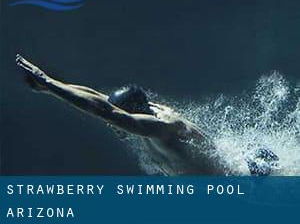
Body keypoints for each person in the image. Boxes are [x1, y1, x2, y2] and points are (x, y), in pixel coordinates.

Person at [15, 54, 277, 175]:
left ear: (132, 114)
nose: (111, 125)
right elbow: (99, 100)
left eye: (115, 120)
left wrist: (48, 83)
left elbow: (105, 111)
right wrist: (51, 87)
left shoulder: (161, 128)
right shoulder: (146, 113)